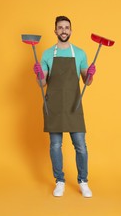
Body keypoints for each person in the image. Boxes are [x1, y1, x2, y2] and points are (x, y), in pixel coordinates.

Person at [33, 16, 96, 198]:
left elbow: (87, 81)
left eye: (66, 28)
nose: (63, 30)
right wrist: (38, 74)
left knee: (81, 146)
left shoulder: (80, 53)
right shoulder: (46, 54)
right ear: (55, 31)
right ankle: (59, 181)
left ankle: (83, 181)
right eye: (60, 28)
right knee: (55, 146)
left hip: (73, 106)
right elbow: (42, 83)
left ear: (71, 30)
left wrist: (91, 74)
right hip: (53, 105)